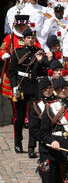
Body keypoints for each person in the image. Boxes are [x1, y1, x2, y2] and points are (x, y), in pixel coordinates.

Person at [9, 27, 46, 157]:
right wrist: (14, 86)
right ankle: (18, 142)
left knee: (33, 120)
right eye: (28, 38)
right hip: (21, 88)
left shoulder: (39, 52)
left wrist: (40, 62)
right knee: (19, 118)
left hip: (34, 88)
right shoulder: (17, 52)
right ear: (24, 39)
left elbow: (42, 72)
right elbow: (12, 72)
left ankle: (31, 147)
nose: (30, 40)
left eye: (32, 38)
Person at [28, 76, 55, 183]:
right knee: (47, 179)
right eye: (44, 89)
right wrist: (46, 139)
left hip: (61, 146)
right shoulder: (35, 105)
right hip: (46, 148)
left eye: (50, 87)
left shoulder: (60, 103)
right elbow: (33, 129)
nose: (48, 90)